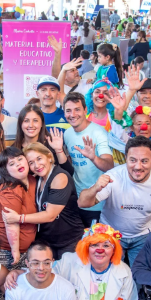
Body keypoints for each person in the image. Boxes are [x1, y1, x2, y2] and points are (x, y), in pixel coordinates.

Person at [77, 137, 151, 266]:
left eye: (144, 161)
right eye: (133, 160)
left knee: (140, 277)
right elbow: (82, 203)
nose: (138, 166)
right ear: (126, 159)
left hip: (143, 236)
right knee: (111, 276)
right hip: (111, 235)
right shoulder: (113, 176)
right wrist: (95, 188)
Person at [2, 143, 81, 259]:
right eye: (31, 163)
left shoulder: (60, 177)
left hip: (69, 240)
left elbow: (50, 215)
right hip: (47, 240)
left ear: (49, 157)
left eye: (39, 159)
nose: (37, 165)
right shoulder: (36, 179)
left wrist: (19, 218)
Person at [62, 92, 114, 228]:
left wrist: (94, 158)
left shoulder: (99, 133)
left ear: (85, 110)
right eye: (68, 110)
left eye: (77, 109)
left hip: (96, 202)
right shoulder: (67, 134)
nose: (73, 114)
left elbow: (109, 165)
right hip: (76, 200)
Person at [0, 147, 37, 268]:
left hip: (27, 249)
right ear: (6, 171)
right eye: (12, 163)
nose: (18, 164)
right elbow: (11, 222)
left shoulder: (32, 180)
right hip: (7, 251)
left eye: (20, 159)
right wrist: (15, 251)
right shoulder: (10, 189)